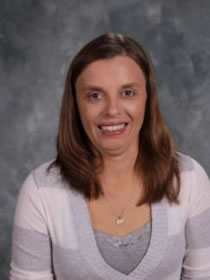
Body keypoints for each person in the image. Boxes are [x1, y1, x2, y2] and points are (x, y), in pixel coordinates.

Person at [10, 33, 210, 280]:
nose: (112, 110)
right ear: (76, 105)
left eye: (128, 93)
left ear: (147, 99)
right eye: (95, 95)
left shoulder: (188, 178)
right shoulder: (40, 192)